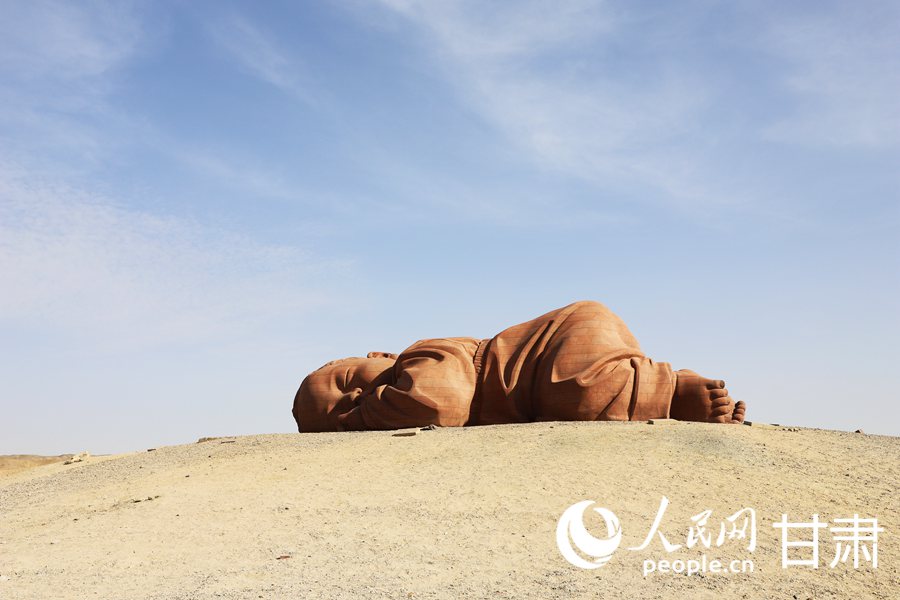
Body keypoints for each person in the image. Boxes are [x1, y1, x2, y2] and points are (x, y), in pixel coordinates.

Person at [292, 300, 746, 432]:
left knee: (577, 394)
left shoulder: (425, 355)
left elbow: (437, 404)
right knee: (576, 401)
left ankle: (671, 389)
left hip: (556, 347)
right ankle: (667, 394)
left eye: (348, 382)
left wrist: (361, 418)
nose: (357, 398)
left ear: (378, 356)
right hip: (544, 382)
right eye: (339, 410)